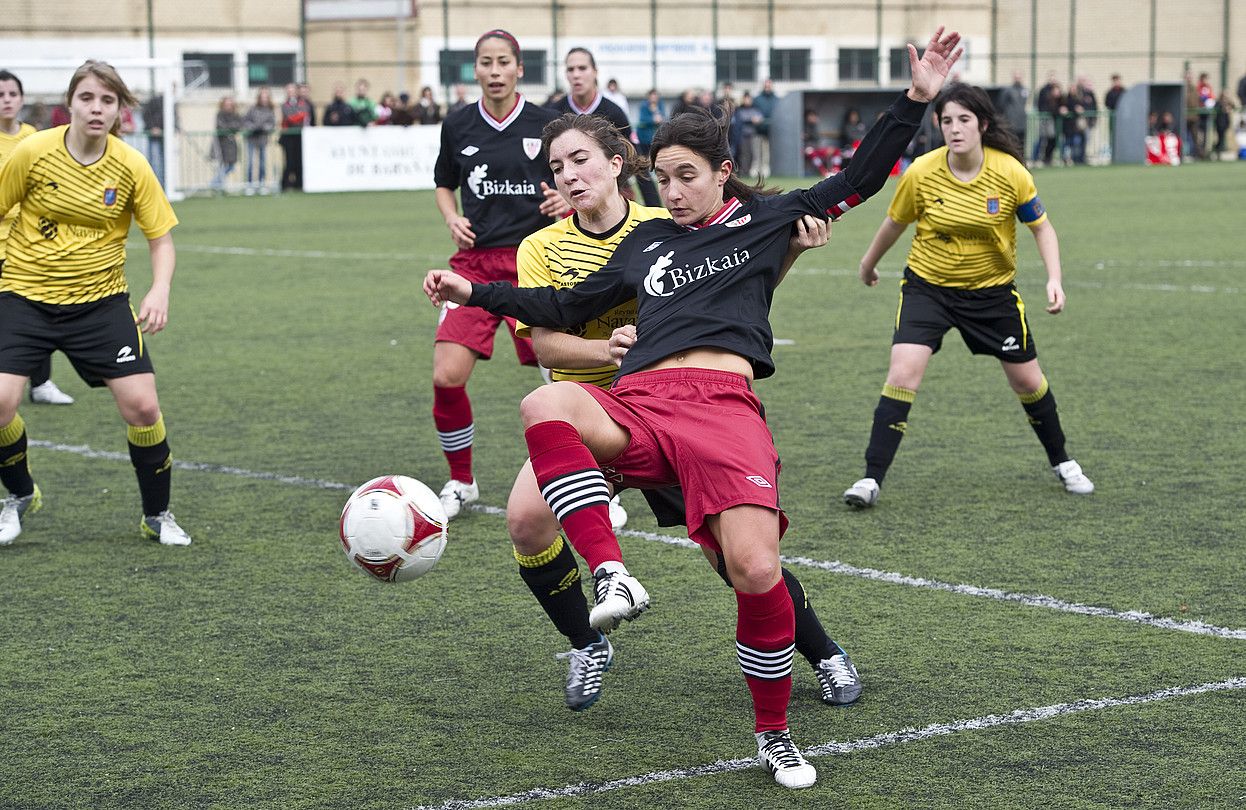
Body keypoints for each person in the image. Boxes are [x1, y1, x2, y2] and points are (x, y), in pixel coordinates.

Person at [424, 26, 962, 791]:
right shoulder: (645, 248)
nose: (671, 192)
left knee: (750, 565)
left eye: (685, 177)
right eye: (664, 179)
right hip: (640, 403)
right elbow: (562, 303)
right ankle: (612, 576)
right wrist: (472, 289)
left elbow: (861, 176)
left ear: (723, 173)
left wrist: (915, 99)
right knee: (546, 403)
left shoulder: (769, 219)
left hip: (722, 408)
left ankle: (774, 732)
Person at [508, 112, 863, 713]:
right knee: (525, 522)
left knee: (737, 559)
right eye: (557, 168)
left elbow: (738, 289)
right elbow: (542, 342)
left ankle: (824, 651)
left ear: (617, 164)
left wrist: (791, 251)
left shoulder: (666, 221)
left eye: (580, 161)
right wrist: (604, 348)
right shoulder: (538, 247)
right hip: (592, 413)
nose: (569, 177)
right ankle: (587, 640)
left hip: (680, 403)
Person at [841, 82, 1093, 510]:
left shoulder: (1010, 172)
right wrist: (868, 264)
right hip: (928, 289)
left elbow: (1042, 228)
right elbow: (893, 223)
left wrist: (1055, 277)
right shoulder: (921, 171)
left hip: (992, 294)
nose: (954, 129)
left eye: (963, 120)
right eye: (946, 121)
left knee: (1027, 380)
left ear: (982, 124)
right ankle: (870, 478)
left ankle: (1063, 461)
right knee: (903, 373)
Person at [0, 60, 193, 546]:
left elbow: (161, 238)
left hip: (101, 303)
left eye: (107, 100)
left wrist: (160, 288)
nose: (96, 108)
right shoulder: (33, 152)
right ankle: (19, 497)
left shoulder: (131, 165)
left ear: (119, 110)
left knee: (143, 407)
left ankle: (157, 515)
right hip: (24, 295)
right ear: (70, 103)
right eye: (87, 98)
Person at [430, 29, 571, 521]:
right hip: (474, 267)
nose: (494, 71)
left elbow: (576, 179)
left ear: (519, 69)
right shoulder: (458, 124)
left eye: (503, 62)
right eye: (485, 63)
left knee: (562, 381)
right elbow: (444, 183)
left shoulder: (548, 122)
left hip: (535, 261)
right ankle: (461, 481)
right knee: (447, 376)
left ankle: (594, 483)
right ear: (475, 70)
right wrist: (451, 217)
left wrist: (565, 198)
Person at [0, 70, 75, 406]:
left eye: (12, 94)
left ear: (22, 98)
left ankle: (41, 383)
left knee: (37, 309)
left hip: (28, 244)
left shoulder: (33, 137)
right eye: (0, 95)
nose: (7, 100)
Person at [554, 48, 660, 207]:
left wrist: (656, 209)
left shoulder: (614, 112)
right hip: (569, 198)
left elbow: (636, 160)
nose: (576, 74)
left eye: (582, 68)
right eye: (570, 69)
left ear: (595, 72)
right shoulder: (554, 112)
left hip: (609, 198)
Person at [279, 82, 312, 191]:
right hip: (288, 137)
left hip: (300, 137)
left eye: (292, 91)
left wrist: (299, 116)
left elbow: (305, 116)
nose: (291, 93)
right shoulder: (285, 105)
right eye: (289, 91)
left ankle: (299, 184)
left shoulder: (303, 103)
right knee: (289, 162)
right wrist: (300, 116)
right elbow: (290, 119)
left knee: (299, 161)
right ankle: (286, 184)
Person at [242, 87, 276, 194]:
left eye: (266, 97)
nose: (264, 99)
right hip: (252, 138)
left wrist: (264, 127)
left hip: (262, 138)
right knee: (250, 163)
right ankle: (249, 184)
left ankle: (262, 184)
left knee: (262, 163)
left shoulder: (270, 110)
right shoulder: (252, 109)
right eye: (262, 97)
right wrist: (253, 127)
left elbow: (272, 124)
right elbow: (245, 121)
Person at [210, 95, 242, 190]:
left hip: (232, 144)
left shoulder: (236, 115)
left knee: (231, 166)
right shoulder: (219, 114)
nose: (228, 106)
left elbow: (239, 125)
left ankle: (215, 183)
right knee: (222, 165)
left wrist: (230, 128)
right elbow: (221, 126)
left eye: (230, 104)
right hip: (221, 143)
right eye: (226, 104)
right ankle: (215, 184)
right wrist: (231, 128)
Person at [752, 79, 778, 182]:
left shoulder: (776, 99)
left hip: (771, 131)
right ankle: (755, 170)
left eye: (769, 85)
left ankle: (766, 169)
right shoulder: (757, 99)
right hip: (758, 130)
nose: (767, 86)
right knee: (757, 152)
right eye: (766, 85)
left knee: (767, 153)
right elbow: (753, 112)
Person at [141, 93, 165, 186]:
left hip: (165, 138)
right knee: (154, 163)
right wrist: (152, 128)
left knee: (164, 164)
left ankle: (162, 187)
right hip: (154, 137)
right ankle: (155, 186)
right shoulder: (155, 101)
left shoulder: (171, 101)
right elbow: (146, 115)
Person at [635, 89, 665, 155]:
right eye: (652, 96)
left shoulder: (660, 105)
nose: (654, 98)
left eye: (655, 96)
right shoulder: (644, 106)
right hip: (645, 136)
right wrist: (653, 120)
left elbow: (663, 116)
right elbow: (642, 119)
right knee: (645, 154)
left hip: (657, 136)